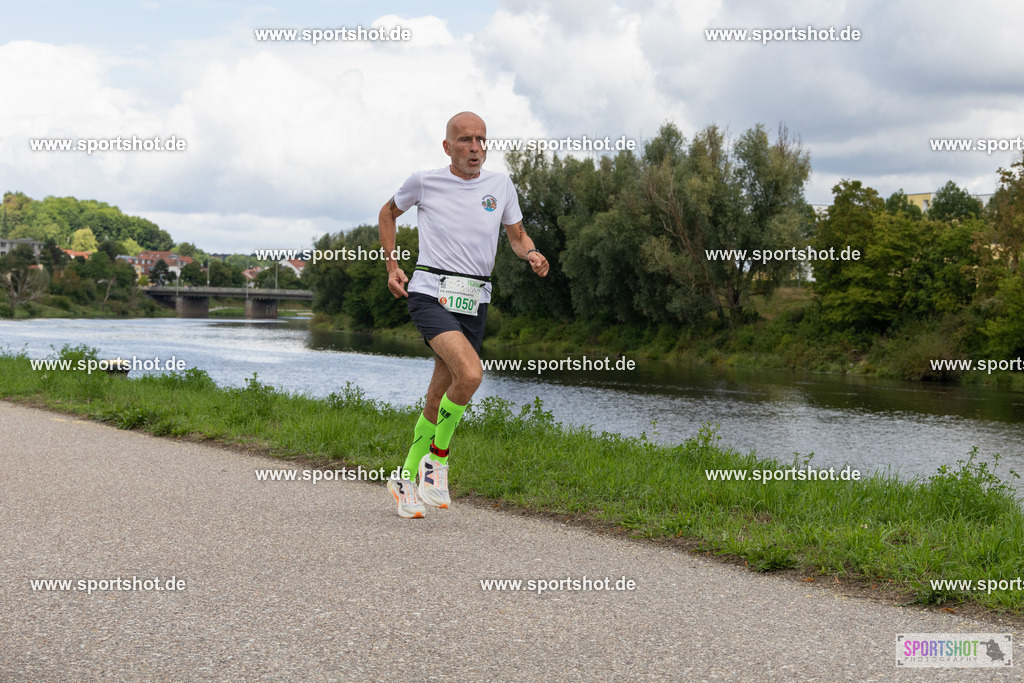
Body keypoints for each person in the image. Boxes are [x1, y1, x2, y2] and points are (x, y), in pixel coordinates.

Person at [379, 111, 549, 518]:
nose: (475, 147)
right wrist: (391, 265)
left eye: (481, 140)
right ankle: (437, 461)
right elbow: (387, 213)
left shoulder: (500, 185)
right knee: (471, 375)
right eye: (466, 140)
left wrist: (532, 253)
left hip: (474, 300)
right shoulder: (425, 181)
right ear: (447, 146)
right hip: (430, 293)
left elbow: (516, 235)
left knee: (438, 397)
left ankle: (404, 479)